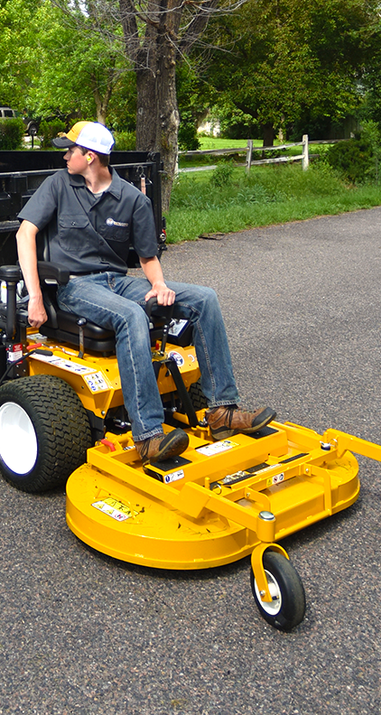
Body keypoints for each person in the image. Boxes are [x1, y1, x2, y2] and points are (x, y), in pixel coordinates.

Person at [16, 121, 273, 467]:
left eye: (70, 150)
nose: (64, 155)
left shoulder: (132, 199)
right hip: (77, 286)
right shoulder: (58, 185)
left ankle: (222, 411)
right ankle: (149, 435)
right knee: (131, 315)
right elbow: (25, 234)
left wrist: (159, 285)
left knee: (204, 298)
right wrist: (34, 295)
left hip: (118, 282)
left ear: (90, 157)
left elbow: (148, 257)